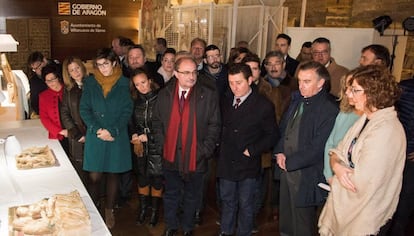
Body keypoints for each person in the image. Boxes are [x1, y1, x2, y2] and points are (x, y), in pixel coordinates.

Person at [319, 65, 405, 235]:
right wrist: (337, 166)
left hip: (366, 215)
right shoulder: (366, 118)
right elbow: (337, 151)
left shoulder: (386, 129)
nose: (348, 95)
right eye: (349, 89)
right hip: (351, 209)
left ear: (374, 92)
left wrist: (338, 175)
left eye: (355, 90)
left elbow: (363, 183)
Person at [153, 56, 221, 236]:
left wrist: (205, 150)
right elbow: (157, 123)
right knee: (171, 194)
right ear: (176, 73)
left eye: (194, 72)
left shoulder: (208, 94)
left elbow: (215, 125)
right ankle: (171, 226)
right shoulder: (165, 94)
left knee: (192, 196)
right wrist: (162, 145)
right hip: (171, 155)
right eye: (186, 73)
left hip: (196, 156)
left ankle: (188, 227)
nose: (192, 76)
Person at [275, 61, 338, 236]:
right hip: (286, 168)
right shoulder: (298, 100)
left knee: (302, 222)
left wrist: (290, 162)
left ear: (321, 83)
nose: (301, 86)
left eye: (307, 81)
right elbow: (284, 128)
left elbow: (318, 147)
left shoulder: (328, 109)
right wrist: (279, 151)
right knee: (286, 217)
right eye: (300, 81)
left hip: (306, 174)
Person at [216, 63, 279, 236]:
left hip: (248, 162)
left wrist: (252, 150)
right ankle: (226, 231)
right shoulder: (226, 99)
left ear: (250, 80)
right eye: (230, 82)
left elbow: (272, 135)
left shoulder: (263, 105)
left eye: (238, 82)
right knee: (227, 201)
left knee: (246, 203)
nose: (234, 87)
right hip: (226, 160)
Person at [79, 48, 133, 229]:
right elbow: (84, 109)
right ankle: (94, 208)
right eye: (99, 65)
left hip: (116, 136)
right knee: (94, 176)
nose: (102, 68)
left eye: (106, 64)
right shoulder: (90, 82)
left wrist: (113, 131)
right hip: (96, 134)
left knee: (113, 174)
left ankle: (109, 209)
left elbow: (127, 111)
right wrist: (97, 129)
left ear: (114, 63)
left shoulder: (125, 83)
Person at [128, 68, 163, 227]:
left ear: (150, 80)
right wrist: (134, 134)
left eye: (143, 82)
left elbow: (167, 126)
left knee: (157, 179)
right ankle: (143, 210)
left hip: (157, 146)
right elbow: (131, 123)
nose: (141, 87)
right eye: (137, 84)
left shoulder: (162, 99)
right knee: (142, 178)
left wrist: (149, 137)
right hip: (140, 146)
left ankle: (155, 211)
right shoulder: (135, 101)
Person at [323, 69, 364, 182]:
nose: (347, 92)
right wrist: (329, 174)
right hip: (334, 174)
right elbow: (331, 143)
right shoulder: (344, 113)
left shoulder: (369, 119)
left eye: (353, 89)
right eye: (346, 87)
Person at [387, 76, 414, 236]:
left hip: (409, 159)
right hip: (394, 152)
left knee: (403, 205)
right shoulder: (403, 87)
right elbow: (391, 112)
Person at [60, 56, 88, 185]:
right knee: (79, 169)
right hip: (76, 134)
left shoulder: (93, 83)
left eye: (77, 68)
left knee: (95, 171)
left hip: (94, 133)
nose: (76, 72)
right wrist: (76, 133)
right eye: (72, 70)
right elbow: (65, 113)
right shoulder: (68, 89)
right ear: (68, 73)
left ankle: (96, 200)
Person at [39, 64, 68, 154]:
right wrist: (60, 131)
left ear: (58, 77)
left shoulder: (69, 90)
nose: (51, 83)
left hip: (74, 133)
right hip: (57, 135)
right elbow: (44, 118)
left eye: (53, 79)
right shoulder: (43, 96)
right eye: (48, 81)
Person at [263, 50, 298, 123]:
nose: (273, 68)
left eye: (277, 63)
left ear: (284, 64)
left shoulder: (295, 85)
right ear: (265, 66)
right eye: (270, 64)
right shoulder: (261, 86)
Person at [27, 51, 60, 118]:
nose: (37, 71)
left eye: (38, 67)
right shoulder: (34, 81)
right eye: (34, 69)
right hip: (45, 112)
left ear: (44, 61)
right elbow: (35, 102)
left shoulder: (59, 70)